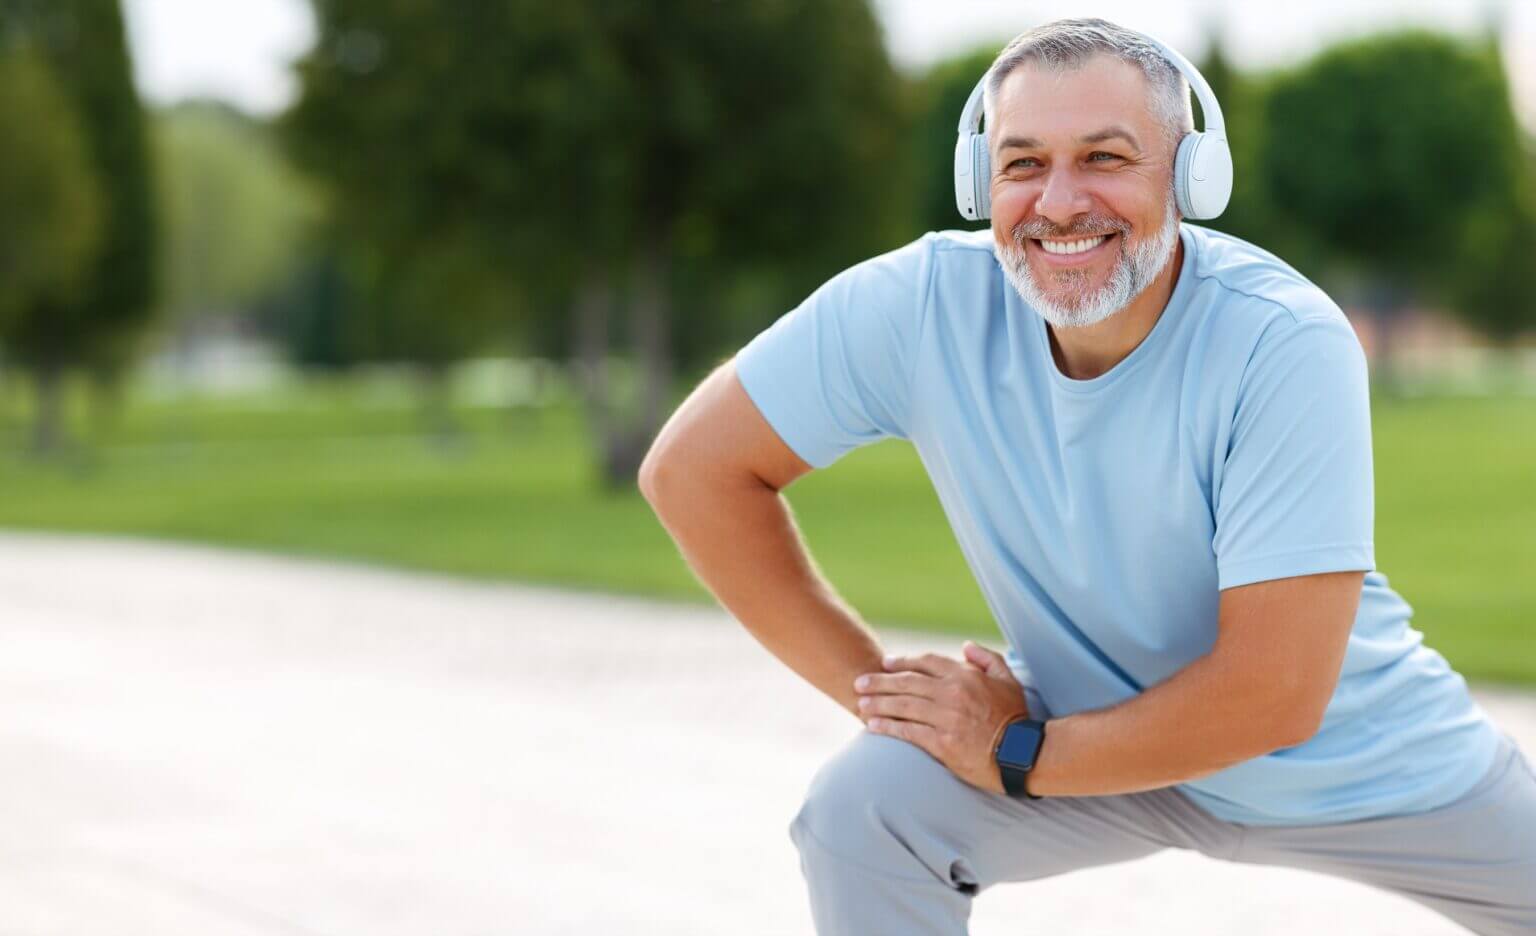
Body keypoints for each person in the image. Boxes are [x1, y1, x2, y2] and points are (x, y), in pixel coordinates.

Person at [637, 17, 1536, 936]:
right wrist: (906, 707)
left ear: (1192, 176)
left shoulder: (1281, 339)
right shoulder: (917, 307)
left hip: (1363, 768)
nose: (1059, 202)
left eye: (1105, 158)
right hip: (1087, 748)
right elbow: (696, 471)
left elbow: (1276, 694)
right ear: (980, 183)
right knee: (864, 814)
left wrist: (1020, 750)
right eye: (1022, 164)